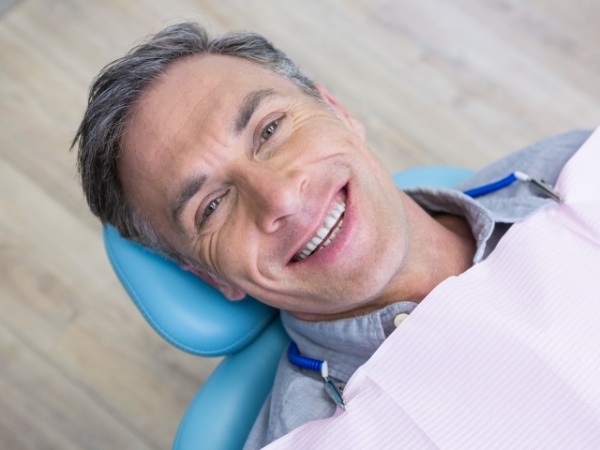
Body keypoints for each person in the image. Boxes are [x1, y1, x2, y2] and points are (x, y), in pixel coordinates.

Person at [72, 21, 591, 448]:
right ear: (210, 278)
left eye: (270, 130)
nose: (282, 200)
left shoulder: (580, 172)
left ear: (336, 111)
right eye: (211, 206)